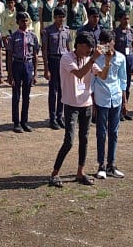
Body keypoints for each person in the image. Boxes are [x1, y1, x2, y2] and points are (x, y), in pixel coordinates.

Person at [48, 31, 101, 188]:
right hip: (71, 104)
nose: (90, 50)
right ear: (80, 45)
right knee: (69, 141)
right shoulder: (67, 58)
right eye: (88, 47)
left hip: (86, 103)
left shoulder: (88, 58)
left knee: (84, 139)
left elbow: (102, 75)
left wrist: (108, 61)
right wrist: (93, 59)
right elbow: (79, 74)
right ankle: (55, 173)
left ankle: (80, 171)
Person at [91, 30, 126, 180]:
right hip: (101, 98)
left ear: (113, 42)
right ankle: (101, 165)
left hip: (116, 98)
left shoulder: (121, 58)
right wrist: (92, 101)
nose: (105, 46)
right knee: (101, 133)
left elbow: (123, 79)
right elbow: (92, 81)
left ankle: (111, 164)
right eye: (103, 43)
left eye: (108, 43)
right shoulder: (96, 59)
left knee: (114, 132)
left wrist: (124, 100)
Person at [6, 12, 39, 133]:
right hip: (17, 64)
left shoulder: (33, 36)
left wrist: (35, 73)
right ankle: (16, 122)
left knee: (26, 95)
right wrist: (9, 74)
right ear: (17, 22)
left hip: (28, 65)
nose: (24, 23)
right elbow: (9, 56)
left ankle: (24, 121)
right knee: (16, 95)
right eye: (22, 21)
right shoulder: (13, 37)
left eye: (26, 21)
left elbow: (35, 55)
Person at [41, 8, 70, 129]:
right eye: (59, 16)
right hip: (53, 60)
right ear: (54, 17)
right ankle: (52, 118)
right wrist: (46, 68)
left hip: (64, 61)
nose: (61, 19)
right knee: (53, 91)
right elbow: (44, 50)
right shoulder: (48, 31)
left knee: (62, 90)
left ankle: (59, 116)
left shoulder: (66, 30)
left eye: (63, 16)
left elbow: (68, 48)